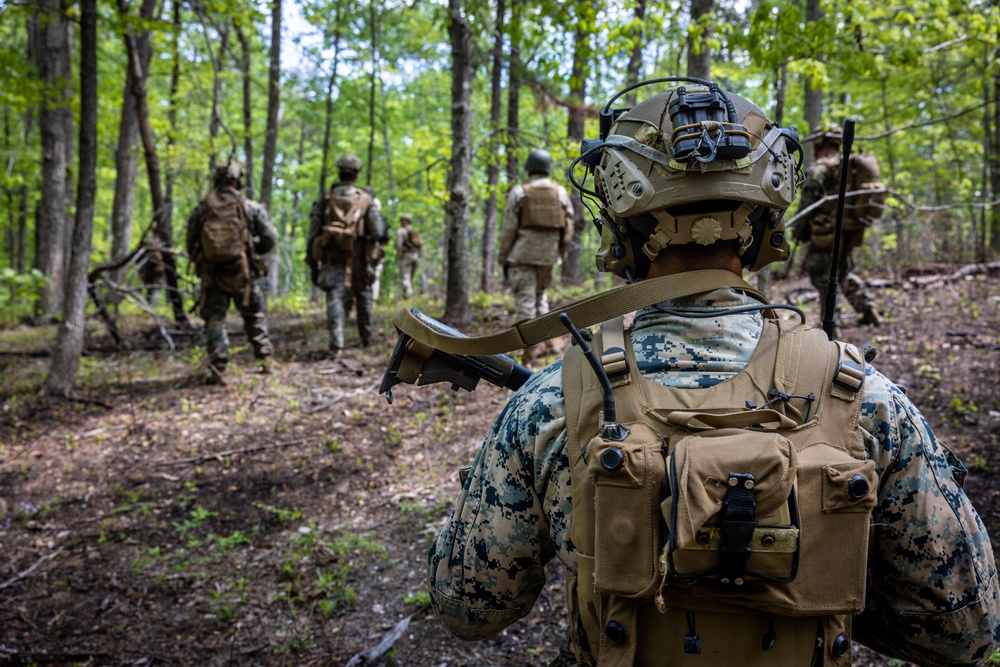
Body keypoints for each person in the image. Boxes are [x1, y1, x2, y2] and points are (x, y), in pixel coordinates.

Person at [428, 84, 999, 667]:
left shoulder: (551, 401)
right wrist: (828, 574)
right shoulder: (864, 398)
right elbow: (968, 632)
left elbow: (468, 607)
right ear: (764, 221)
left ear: (620, 226)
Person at [185, 162, 276, 384]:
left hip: (213, 273)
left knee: (215, 318)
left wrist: (204, 258)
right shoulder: (250, 207)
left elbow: (190, 240)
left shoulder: (203, 208)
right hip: (242, 271)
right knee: (253, 314)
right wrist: (252, 250)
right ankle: (265, 360)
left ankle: (218, 367)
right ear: (238, 181)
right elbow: (270, 238)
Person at [791, 126, 883, 327]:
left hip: (825, 235)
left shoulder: (818, 170)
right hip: (848, 232)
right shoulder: (843, 168)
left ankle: (831, 322)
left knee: (822, 275)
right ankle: (869, 311)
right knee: (843, 273)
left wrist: (798, 229)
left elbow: (806, 205)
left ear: (818, 148)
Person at [498, 148, 575, 363]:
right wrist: (559, 253)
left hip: (522, 256)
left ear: (529, 168)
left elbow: (509, 229)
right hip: (548, 257)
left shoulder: (519, 192)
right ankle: (552, 343)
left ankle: (530, 351)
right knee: (540, 296)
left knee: (525, 301)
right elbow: (569, 227)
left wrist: (503, 257)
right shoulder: (559, 192)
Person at [307, 154, 386, 356]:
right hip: (359, 258)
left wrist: (312, 264)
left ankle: (336, 345)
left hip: (333, 259)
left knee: (334, 298)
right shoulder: (365, 200)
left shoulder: (325, 199)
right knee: (363, 297)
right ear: (356, 174)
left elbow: (313, 233)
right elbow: (377, 231)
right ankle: (366, 339)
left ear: (339, 172)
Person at [395, 214, 421, 298]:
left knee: (405, 276)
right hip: (415, 255)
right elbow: (420, 244)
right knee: (411, 276)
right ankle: (408, 294)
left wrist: (399, 254)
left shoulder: (401, 231)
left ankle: (407, 295)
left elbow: (399, 244)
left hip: (406, 255)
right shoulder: (414, 230)